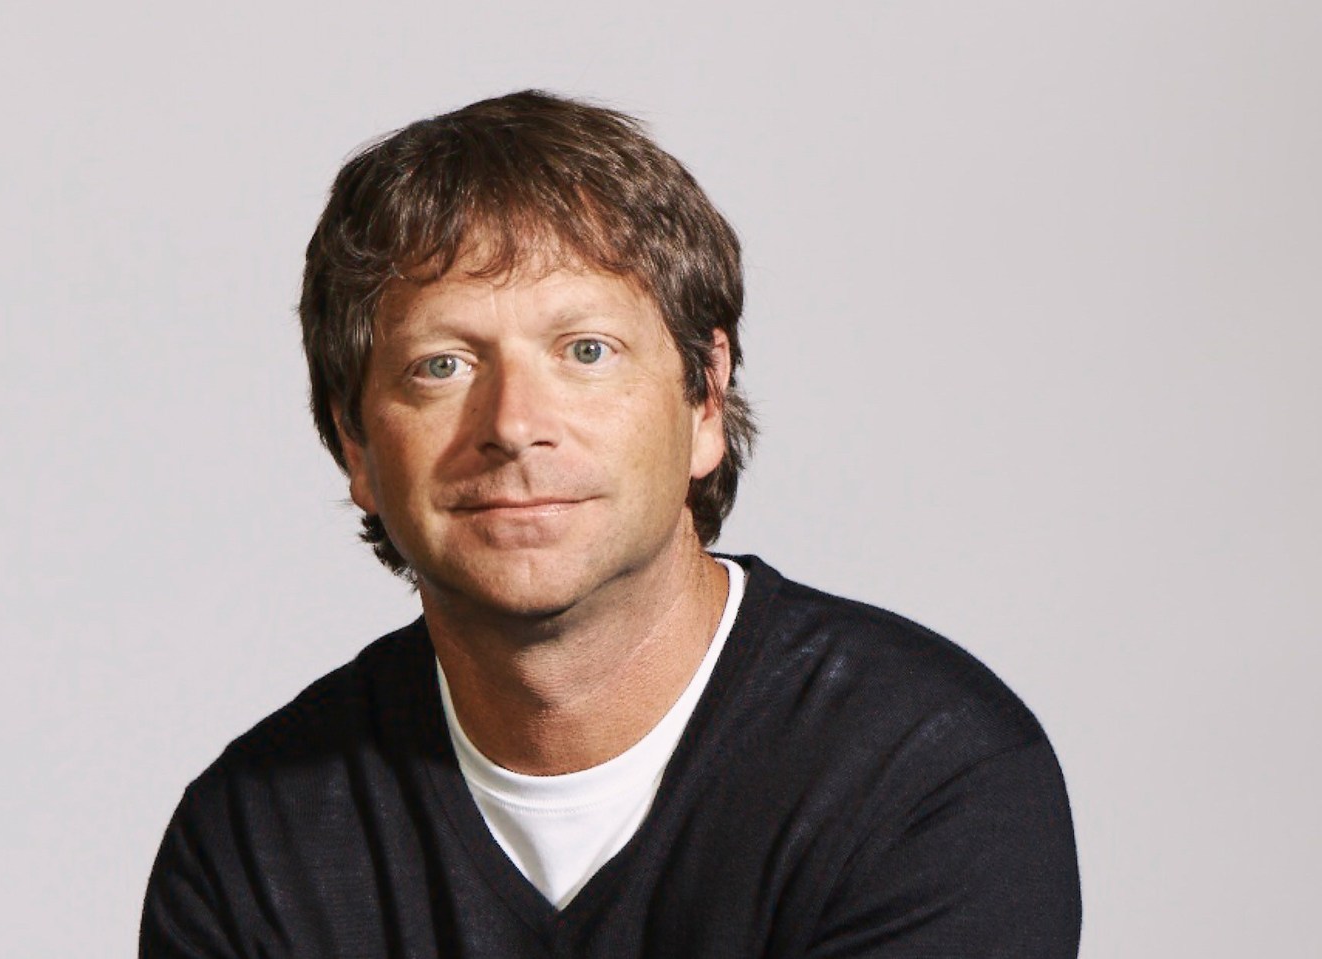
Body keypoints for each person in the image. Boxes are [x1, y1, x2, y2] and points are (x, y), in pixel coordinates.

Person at [140, 90, 1081, 958]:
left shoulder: (925, 775)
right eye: (442, 366)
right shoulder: (252, 845)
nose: (514, 424)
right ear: (355, 443)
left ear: (704, 398)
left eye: (586, 351)